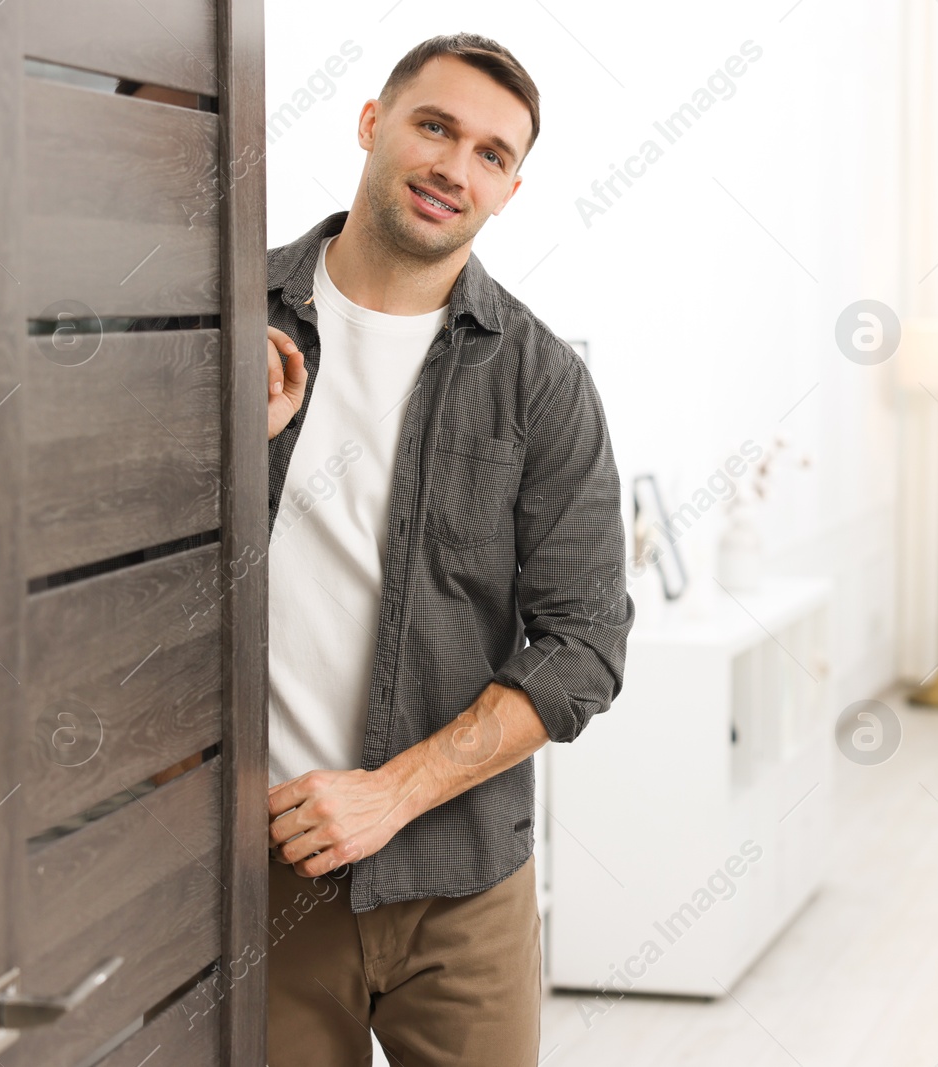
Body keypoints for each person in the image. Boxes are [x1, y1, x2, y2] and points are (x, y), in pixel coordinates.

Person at [257, 34, 634, 1066]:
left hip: (460, 888)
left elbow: (584, 645)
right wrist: (208, 439)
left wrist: (390, 794)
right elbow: (117, 560)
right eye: (434, 126)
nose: (453, 168)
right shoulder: (224, 325)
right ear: (374, 123)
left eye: (490, 153)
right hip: (260, 877)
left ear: (511, 188)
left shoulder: (542, 382)